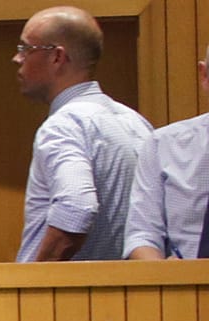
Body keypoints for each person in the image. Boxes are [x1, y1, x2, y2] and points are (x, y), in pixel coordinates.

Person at [12, 6, 151, 262]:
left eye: (25, 49)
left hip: (66, 298)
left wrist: (35, 285)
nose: (17, 59)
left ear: (57, 57)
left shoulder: (65, 125)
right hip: (125, 296)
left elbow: (76, 208)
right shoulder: (136, 122)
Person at [125, 45, 209, 259]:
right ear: (204, 75)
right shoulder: (162, 145)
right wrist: (169, 283)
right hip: (186, 288)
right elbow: (142, 235)